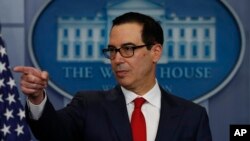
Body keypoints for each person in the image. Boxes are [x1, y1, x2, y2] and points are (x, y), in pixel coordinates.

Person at [14, 12, 212, 141]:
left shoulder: (192, 117)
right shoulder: (88, 106)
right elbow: (51, 133)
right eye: (112, 50)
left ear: (155, 52)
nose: (117, 59)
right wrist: (37, 97)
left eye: (128, 49)